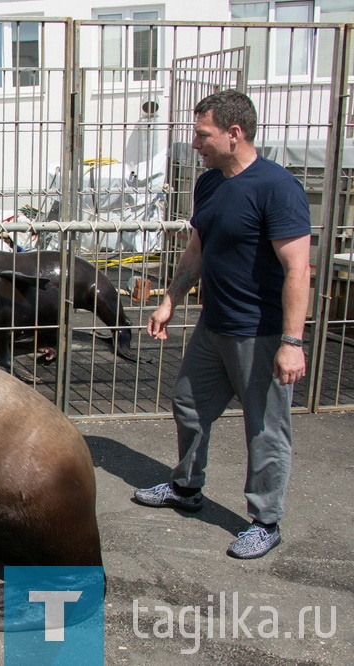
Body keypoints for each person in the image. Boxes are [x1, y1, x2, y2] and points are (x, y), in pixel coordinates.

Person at [132, 90, 310, 559]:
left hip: (262, 332)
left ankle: (265, 521)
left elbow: (298, 269)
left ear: (235, 134)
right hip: (214, 325)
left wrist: (292, 342)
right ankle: (187, 489)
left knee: (266, 429)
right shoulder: (210, 184)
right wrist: (171, 299)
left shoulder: (277, 187)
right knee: (188, 405)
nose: (195, 144)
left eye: (202, 134)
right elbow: (197, 250)